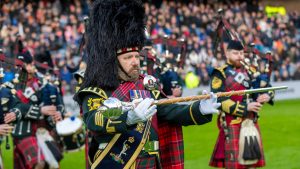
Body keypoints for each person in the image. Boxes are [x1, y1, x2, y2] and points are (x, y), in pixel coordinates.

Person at [74, 0, 220, 168]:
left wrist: (199, 108)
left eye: (137, 56)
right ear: (113, 61)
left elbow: (168, 110)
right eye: (128, 58)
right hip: (119, 162)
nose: (135, 62)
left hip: (151, 161)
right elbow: (93, 120)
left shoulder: (146, 84)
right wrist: (128, 118)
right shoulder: (95, 88)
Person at [209, 40, 274, 169]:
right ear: (227, 54)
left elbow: (268, 88)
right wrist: (245, 107)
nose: (239, 56)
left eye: (241, 53)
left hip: (251, 122)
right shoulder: (220, 73)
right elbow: (219, 100)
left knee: (251, 165)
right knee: (235, 165)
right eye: (235, 53)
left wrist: (266, 95)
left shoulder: (250, 71)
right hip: (232, 124)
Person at [7, 47, 62, 169]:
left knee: (53, 164)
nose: (32, 66)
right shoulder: (12, 86)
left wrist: (59, 113)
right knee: (38, 163)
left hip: (44, 130)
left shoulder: (44, 83)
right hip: (23, 132)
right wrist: (40, 110)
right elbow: (17, 107)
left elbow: (57, 103)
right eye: (28, 64)